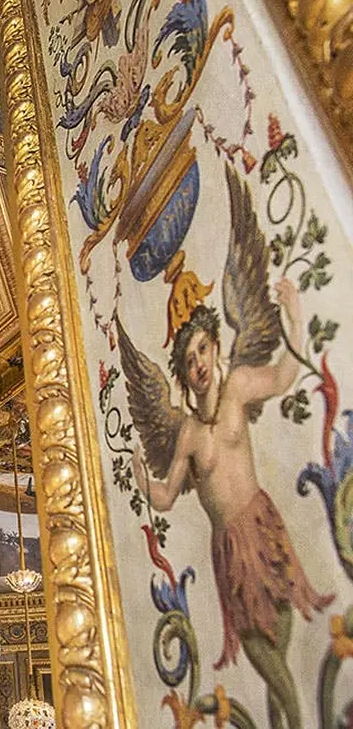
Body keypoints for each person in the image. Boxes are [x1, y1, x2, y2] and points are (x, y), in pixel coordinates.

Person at [126, 277, 334, 729]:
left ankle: (289, 721)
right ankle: (295, 720)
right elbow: (164, 496)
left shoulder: (237, 388)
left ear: (215, 347)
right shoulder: (189, 434)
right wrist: (141, 478)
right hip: (229, 549)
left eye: (202, 350)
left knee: (277, 633)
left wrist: (294, 316)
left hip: (260, 525)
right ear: (182, 375)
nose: (198, 362)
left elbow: (282, 377)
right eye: (188, 359)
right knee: (258, 646)